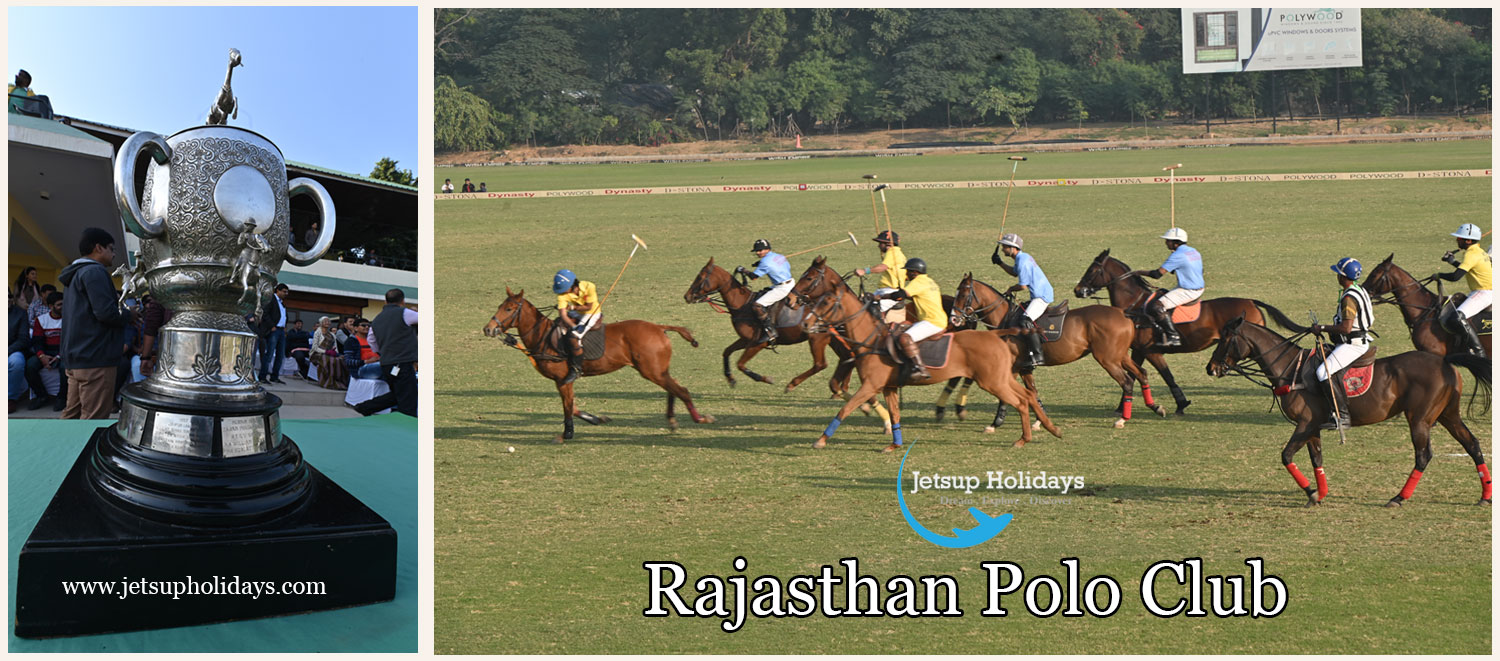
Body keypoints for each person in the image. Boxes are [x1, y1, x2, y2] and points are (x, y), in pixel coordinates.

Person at [60, 228, 134, 419]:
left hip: (77, 358)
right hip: (95, 359)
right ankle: (85, 450)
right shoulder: (95, 272)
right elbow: (106, 313)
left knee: (71, 417)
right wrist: (129, 314)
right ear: (98, 248)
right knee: (93, 420)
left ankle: (63, 449)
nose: (114, 253)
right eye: (111, 248)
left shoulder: (75, 274)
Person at [1310, 258, 1375, 431]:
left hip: (1353, 344)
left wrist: (1322, 328)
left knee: (1322, 372)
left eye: (1338, 274)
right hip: (1357, 339)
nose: (1337, 276)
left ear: (1343, 277)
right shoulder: (1359, 289)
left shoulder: (1349, 298)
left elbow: (1346, 328)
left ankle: (1343, 417)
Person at [1130, 227, 1204, 347]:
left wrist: (1138, 272)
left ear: (1176, 242)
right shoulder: (1193, 251)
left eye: (1168, 240)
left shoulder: (1177, 255)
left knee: (1157, 306)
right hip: (1198, 286)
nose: (1166, 243)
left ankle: (1173, 336)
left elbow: (1157, 274)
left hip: (1188, 290)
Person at [874, 258, 946, 380]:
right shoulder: (929, 281)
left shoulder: (918, 282)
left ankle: (920, 369)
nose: (906, 275)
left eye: (907, 272)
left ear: (914, 272)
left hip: (932, 322)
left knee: (904, 337)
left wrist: (879, 297)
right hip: (936, 319)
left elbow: (899, 296)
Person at [355, 288, 419, 417]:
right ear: (403, 301)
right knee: (408, 398)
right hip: (403, 361)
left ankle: (364, 407)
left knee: (399, 394)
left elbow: (371, 340)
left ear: (385, 301)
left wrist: (382, 351)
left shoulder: (377, 319)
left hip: (386, 363)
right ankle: (408, 425)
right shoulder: (405, 313)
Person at [992, 233, 1052, 368]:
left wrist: (1010, 289)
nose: (1002, 249)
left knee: (1025, 321)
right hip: (1038, 294)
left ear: (1013, 248)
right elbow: (1015, 272)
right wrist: (1000, 262)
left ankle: (1038, 356)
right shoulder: (1021, 258)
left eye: (1005, 247)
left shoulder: (1023, 261)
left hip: (1042, 296)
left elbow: (1022, 286)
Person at [1435, 223, 1492, 358]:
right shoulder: (1478, 251)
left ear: (1468, 240)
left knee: (1457, 317)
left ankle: (1478, 351)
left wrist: (1439, 275)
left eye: (1459, 238)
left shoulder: (1471, 254)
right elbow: (1467, 269)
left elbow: (1456, 277)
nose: (1457, 241)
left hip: (1484, 292)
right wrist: (1452, 261)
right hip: (1481, 291)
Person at [736, 239, 793, 345]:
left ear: (767, 249)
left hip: (782, 288)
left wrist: (743, 270)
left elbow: (754, 277)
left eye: (760, 251)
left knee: (757, 305)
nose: (758, 253)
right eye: (756, 251)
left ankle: (770, 332)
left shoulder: (765, 261)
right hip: (790, 282)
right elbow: (778, 266)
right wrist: (760, 263)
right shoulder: (779, 256)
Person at [553, 269, 599, 385]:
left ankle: (577, 369)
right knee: (558, 325)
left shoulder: (589, 286)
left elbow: (588, 307)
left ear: (573, 285)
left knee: (575, 336)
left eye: (565, 289)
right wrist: (573, 325)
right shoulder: (562, 295)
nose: (562, 292)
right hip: (576, 314)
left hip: (592, 313)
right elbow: (563, 314)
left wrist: (572, 309)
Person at [26, 292, 67, 411]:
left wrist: (59, 356)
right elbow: (37, 341)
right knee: (30, 366)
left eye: (64, 304)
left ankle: (62, 398)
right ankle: (41, 396)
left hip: (63, 352)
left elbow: (70, 342)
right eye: (59, 305)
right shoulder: (41, 320)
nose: (63, 307)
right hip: (46, 351)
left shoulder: (69, 320)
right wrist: (41, 356)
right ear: (50, 306)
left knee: (65, 368)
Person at [854, 230, 907, 322]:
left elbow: (882, 267)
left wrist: (864, 271)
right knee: (861, 302)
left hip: (891, 290)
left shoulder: (893, 253)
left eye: (880, 243)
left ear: (887, 244)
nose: (878, 246)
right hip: (884, 289)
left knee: (870, 310)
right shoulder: (899, 254)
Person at [257, 283, 289, 384]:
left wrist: (284, 327)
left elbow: (283, 316)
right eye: (284, 291)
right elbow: (265, 313)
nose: (286, 293)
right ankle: (262, 376)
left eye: (287, 292)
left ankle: (274, 376)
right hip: (274, 331)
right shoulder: (271, 300)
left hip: (281, 331)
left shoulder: (282, 303)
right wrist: (272, 326)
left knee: (280, 355)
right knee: (269, 354)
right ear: (277, 291)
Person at [312, 316, 348, 390]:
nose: (327, 323)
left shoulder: (332, 334)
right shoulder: (318, 333)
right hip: (317, 353)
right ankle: (327, 383)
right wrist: (326, 351)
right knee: (330, 360)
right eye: (325, 321)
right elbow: (314, 348)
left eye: (328, 321)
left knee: (340, 360)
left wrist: (337, 354)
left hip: (330, 353)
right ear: (321, 323)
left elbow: (335, 347)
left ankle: (339, 383)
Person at [9, 290, 31, 412]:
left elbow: (23, 339)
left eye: (9, 296)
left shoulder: (20, 314)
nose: (7, 299)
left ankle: (9, 398)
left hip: (13, 349)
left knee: (16, 363)